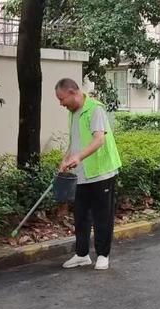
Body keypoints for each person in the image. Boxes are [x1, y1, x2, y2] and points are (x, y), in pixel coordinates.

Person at [55, 78, 122, 270]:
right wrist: (65, 160)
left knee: (103, 215)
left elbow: (99, 140)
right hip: (82, 174)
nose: (61, 104)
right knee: (81, 215)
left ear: (72, 92)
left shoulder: (95, 109)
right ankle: (82, 254)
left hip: (102, 172)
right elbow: (74, 142)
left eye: (62, 99)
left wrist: (79, 157)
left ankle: (103, 255)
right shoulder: (73, 113)